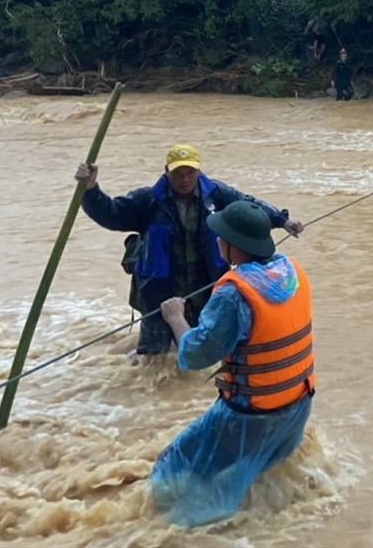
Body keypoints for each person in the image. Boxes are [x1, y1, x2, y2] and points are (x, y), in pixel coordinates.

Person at [150, 200, 314, 528]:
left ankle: (176, 531)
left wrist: (176, 318)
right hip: (296, 406)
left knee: (171, 468)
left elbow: (196, 354)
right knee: (256, 471)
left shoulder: (232, 294)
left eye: (220, 236)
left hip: (250, 417)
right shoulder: (292, 270)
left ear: (233, 247)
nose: (215, 240)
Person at [74, 144, 304, 358]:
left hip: (205, 287)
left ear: (198, 171)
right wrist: (91, 189)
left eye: (190, 172)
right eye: (178, 173)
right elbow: (112, 214)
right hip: (158, 293)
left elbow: (247, 207)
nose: (184, 179)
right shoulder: (148, 200)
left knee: (209, 350)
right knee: (153, 359)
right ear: (166, 172)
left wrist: (281, 220)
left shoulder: (216, 194)